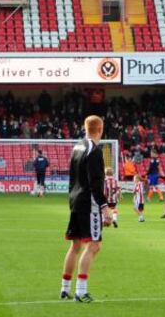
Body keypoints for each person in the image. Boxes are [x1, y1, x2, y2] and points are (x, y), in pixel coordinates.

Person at [60, 115, 111, 303]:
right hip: (89, 204)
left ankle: (65, 289)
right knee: (94, 245)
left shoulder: (77, 146)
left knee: (75, 245)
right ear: (101, 129)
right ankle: (81, 292)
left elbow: (72, 177)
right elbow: (95, 182)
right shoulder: (94, 150)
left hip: (75, 200)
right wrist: (104, 207)